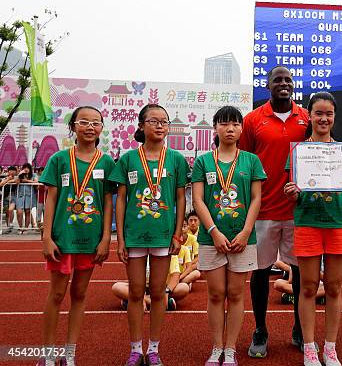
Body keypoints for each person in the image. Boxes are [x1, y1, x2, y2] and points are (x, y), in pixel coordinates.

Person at [284, 92, 342, 366]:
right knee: (308, 287)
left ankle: (330, 348)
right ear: (309, 116)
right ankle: (310, 347)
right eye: (318, 113)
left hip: (337, 224)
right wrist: (292, 192)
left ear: (334, 117)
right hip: (308, 223)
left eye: (329, 114)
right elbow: (295, 191)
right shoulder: (298, 152)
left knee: (334, 287)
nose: (323, 118)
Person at [110, 104, 189, 366]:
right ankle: (135, 349)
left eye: (164, 121)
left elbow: (180, 198)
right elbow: (121, 199)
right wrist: (120, 238)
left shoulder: (176, 159)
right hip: (134, 235)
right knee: (134, 292)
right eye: (153, 121)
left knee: (158, 293)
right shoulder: (129, 159)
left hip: (164, 236)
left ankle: (153, 349)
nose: (159, 125)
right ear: (141, 125)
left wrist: (178, 235)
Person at [239, 65, 310, 357]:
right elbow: (243, 163)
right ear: (268, 85)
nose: (283, 83)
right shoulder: (252, 119)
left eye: (288, 80)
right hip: (264, 209)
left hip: (298, 210)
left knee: (300, 273)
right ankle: (260, 329)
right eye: (278, 80)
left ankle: (299, 327)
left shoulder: (306, 117)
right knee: (260, 273)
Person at [37, 106, 115, 366]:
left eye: (96, 122)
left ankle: (69, 352)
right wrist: (47, 236)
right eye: (84, 122)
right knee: (57, 295)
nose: (90, 127)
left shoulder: (106, 162)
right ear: (73, 127)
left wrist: (106, 238)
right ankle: (47, 354)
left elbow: (107, 201)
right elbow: (51, 197)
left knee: (80, 294)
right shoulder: (59, 159)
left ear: (102, 128)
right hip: (62, 239)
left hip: (90, 239)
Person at [192, 105, 266, 366]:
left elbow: (257, 198)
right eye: (224, 123)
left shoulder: (251, 161)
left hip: (242, 239)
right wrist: (213, 232)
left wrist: (246, 232)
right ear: (216, 128)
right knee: (215, 294)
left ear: (241, 128)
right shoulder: (203, 161)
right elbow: (198, 200)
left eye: (235, 123)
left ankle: (231, 348)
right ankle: (216, 347)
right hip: (211, 238)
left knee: (236, 294)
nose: (230, 128)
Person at [15, 162, 38, 233]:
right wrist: (19, 174)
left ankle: (26, 228)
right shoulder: (20, 175)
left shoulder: (34, 175)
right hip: (20, 195)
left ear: (30, 169)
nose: (26, 169)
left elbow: (36, 182)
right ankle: (20, 227)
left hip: (29, 195)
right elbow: (16, 182)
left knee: (28, 212)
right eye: (24, 167)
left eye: (27, 168)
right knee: (19, 212)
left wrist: (27, 181)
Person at [0, 166, 18, 232]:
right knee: (7, 212)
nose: (12, 172)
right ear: (8, 171)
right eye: (10, 170)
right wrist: (8, 179)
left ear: (16, 171)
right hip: (5, 197)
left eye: (13, 170)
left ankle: (10, 223)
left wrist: (9, 180)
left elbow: (17, 181)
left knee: (10, 210)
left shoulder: (17, 177)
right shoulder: (5, 178)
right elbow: (1, 184)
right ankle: (8, 226)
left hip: (14, 196)